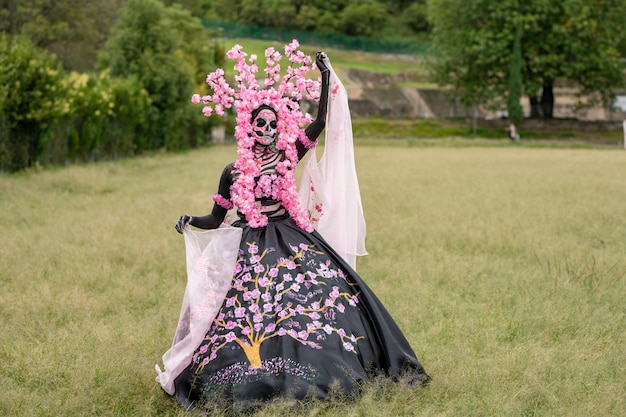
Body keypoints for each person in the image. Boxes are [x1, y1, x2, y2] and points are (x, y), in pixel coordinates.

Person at [156, 40, 429, 413]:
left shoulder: (289, 155)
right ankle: (251, 376)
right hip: (248, 242)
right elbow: (216, 218)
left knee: (318, 301)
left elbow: (318, 123)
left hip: (292, 236)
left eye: (272, 123)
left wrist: (325, 77)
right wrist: (191, 221)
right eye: (260, 123)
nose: (267, 129)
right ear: (248, 127)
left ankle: (320, 369)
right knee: (243, 314)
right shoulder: (232, 172)